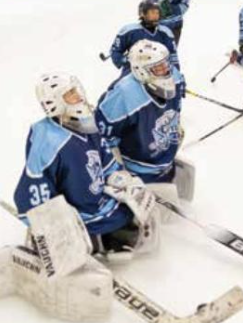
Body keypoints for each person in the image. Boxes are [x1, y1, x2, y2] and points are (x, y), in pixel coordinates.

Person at [14, 73, 146, 249]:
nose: (79, 97)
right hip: (76, 214)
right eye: (70, 94)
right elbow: (33, 190)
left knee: (130, 219)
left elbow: (104, 159)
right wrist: (52, 221)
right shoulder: (48, 141)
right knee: (90, 245)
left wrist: (116, 176)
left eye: (76, 91)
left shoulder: (86, 124)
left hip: (97, 202)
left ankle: (104, 237)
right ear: (54, 104)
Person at [95, 41, 185, 186]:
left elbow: (175, 106)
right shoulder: (123, 94)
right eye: (158, 67)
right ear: (141, 70)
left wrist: (176, 125)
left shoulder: (175, 76)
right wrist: (117, 170)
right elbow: (103, 136)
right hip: (139, 172)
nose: (166, 69)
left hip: (166, 159)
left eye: (165, 64)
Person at [109, 0, 182, 84]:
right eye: (152, 12)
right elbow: (115, 51)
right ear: (142, 14)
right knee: (114, 88)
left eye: (157, 13)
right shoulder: (129, 31)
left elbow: (173, 57)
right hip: (134, 71)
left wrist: (177, 79)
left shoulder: (165, 32)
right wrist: (127, 61)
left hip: (159, 72)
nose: (155, 16)